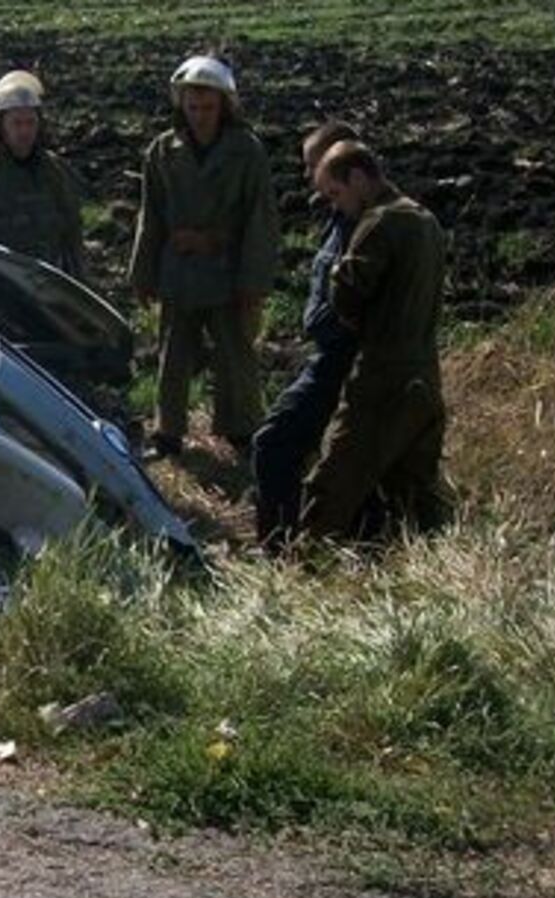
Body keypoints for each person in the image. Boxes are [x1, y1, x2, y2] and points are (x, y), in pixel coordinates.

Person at [300, 141, 452, 541]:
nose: (336, 206)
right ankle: (433, 567)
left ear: (358, 178)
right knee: (415, 490)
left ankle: (305, 569)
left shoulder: (379, 223)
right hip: (425, 371)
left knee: (333, 482)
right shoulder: (427, 221)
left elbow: (348, 294)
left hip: (382, 373)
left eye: (336, 193)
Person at [128, 55, 278, 460]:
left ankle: (243, 429)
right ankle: (168, 432)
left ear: (225, 105)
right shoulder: (162, 151)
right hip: (179, 272)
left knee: (235, 354)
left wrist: (253, 283)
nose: (200, 116)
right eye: (192, 107)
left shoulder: (246, 151)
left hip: (228, 274)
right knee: (173, 354)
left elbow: (260, 221)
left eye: (208, 107)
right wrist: (142, 273)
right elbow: (151, 216)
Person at [252, 120, 362, 552]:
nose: (307, 178)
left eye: (312, 165)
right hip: (330, 351)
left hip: (343, 357)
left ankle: (280, 550)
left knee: (274, 443)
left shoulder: (364, 223)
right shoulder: (340, 216)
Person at [0, 70, 87, 277]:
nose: (24, 131)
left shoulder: (55, 171)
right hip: (1, 284)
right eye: (16, 123)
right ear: (1, 126)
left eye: (30, 122)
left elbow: (72, 234)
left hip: (47, 284)